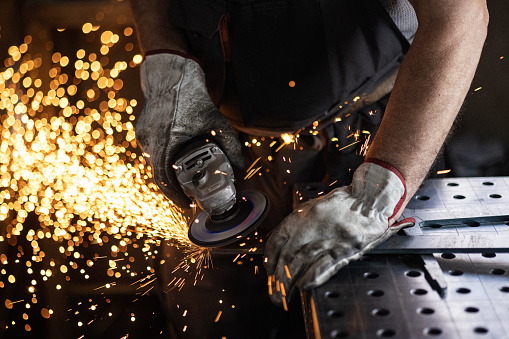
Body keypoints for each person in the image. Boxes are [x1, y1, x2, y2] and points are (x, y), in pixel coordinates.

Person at [130, 0, 489, 337]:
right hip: (221, 139)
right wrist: (167, 64)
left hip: (376, 142)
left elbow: (459, 15)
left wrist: (378, 194)